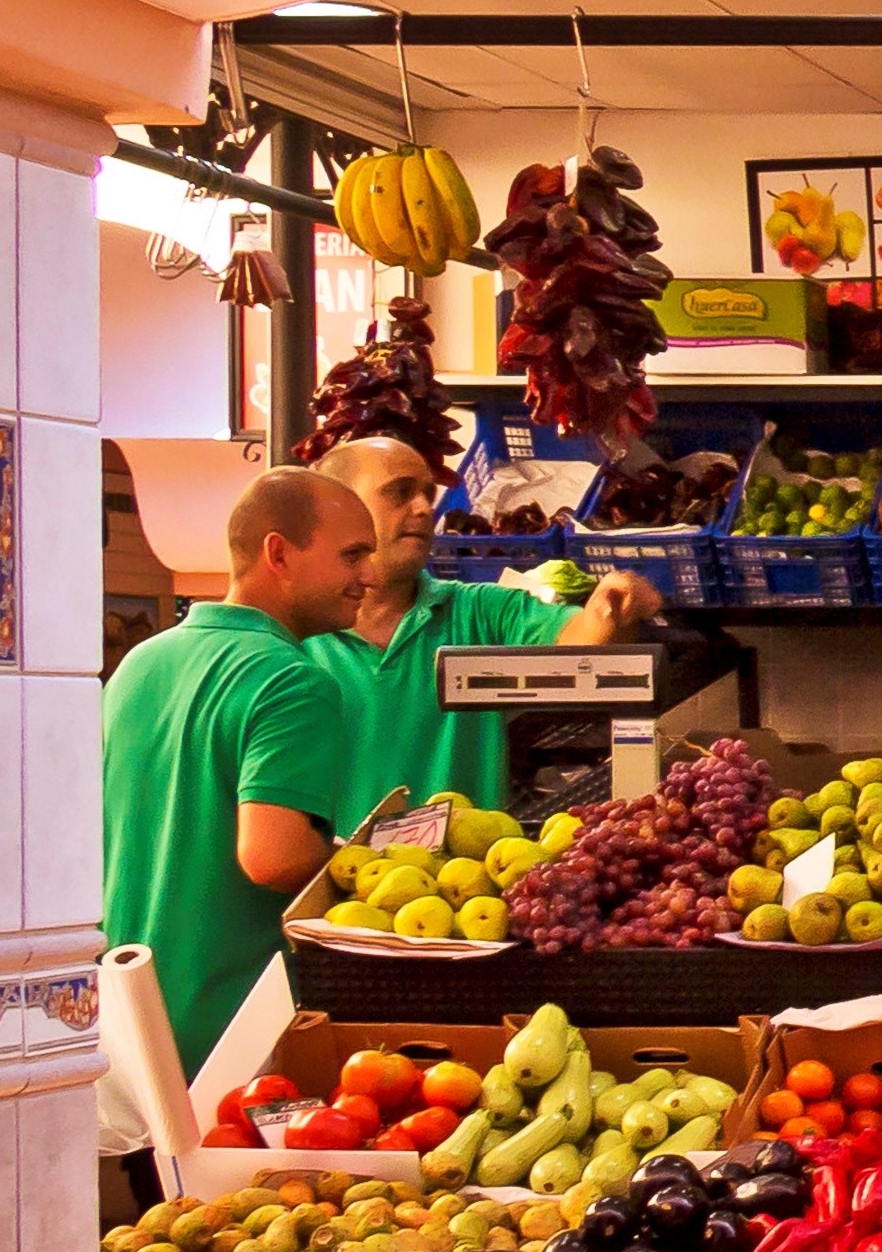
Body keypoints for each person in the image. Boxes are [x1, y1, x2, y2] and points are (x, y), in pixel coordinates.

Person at [99, 466, 373, 1077]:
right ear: (279, 553)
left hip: (124, 1024)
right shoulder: (292, 680)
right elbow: (273, 858)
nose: (369, 576)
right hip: (233, 1032)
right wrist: (368, 863)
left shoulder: (141, 663)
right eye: (352, 556)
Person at [304, 430, 661, 830]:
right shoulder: (295, 635)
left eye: (427, 494)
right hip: (337, 867)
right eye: (400, 493)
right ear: (339, 510)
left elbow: (583, 645)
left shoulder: (481, 610)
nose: (423, 508)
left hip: (470, 866)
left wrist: (612, 601)